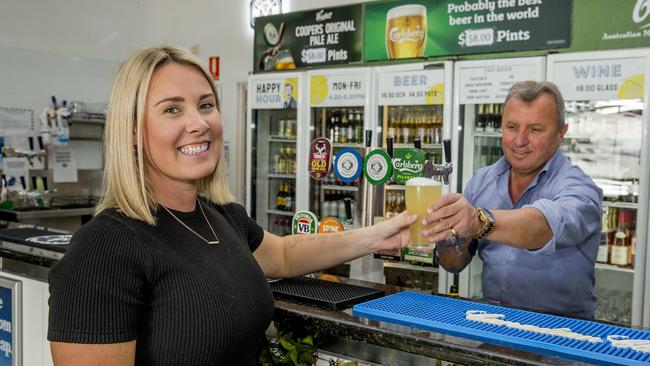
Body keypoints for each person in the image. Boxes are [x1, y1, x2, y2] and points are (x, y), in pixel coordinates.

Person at [47, 46, 417, 366]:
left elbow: (286, 255)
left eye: (205, 105)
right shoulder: (103, 249)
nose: (199, 123)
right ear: (131, 131)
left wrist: (377, 235)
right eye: (172, 110)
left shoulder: (219, 216)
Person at [421, 81, 602, 318]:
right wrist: (448, 236)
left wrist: (478, 222)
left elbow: (544, 226)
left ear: (561, 133)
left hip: (563, 336)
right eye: (512, 127)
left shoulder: (580, 189)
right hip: (493, 325)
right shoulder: (482, 181)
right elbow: (454, 264)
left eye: (535, 129)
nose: (519, 140)